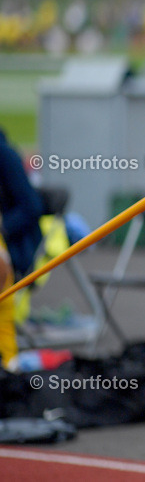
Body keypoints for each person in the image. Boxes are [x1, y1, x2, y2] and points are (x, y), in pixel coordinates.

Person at [0, 127, 45, 366]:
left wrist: (3, 227)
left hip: (12, 249)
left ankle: (9, 366)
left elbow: (31, 205)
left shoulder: (4, 155)